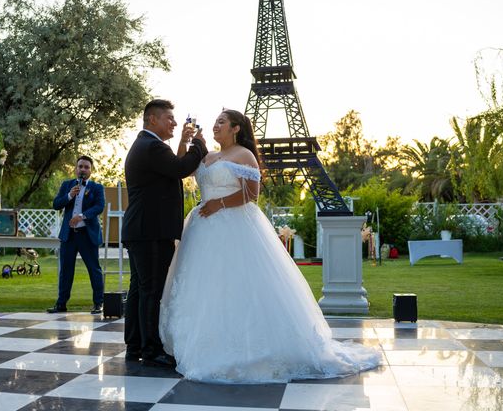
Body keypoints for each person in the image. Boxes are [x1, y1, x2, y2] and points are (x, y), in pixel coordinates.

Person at [159, 109, 381, 383]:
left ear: (236, 128)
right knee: (204, 285)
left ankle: (246, 348)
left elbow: (252, 194)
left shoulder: (244, 155)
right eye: (215, 122)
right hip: (202, 230)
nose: (216, 126)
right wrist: (185, 140)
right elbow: (181, 167)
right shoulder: (208, 156)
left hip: (233, 226)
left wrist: (220, 203)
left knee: (239, 284)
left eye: (221, 122)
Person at [122, 99, 208, 367]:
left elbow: (173, 164)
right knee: (151, 291)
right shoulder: (151, 146)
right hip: (150, 231)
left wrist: (183, 142)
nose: (174, 122)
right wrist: (199, 145)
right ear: (152, 120)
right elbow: (180, 168)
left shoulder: (148, 146)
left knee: (139, 289)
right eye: (169, 118)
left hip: (141, 229)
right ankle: (151, 350)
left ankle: (134, 345)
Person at [48, 155, 105, 314]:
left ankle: (98, 303)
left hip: (88, 234)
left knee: (94, 269)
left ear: (91, 171)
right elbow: (56, 205)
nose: (83, 169)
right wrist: (69, 196)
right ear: (75, 169)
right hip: (69, 236)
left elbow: (99, 207)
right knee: (65, 270)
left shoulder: (97, 188)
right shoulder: (67, 185)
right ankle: (61, 304)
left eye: (86, 167)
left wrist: (81, 216)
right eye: (80, 166)